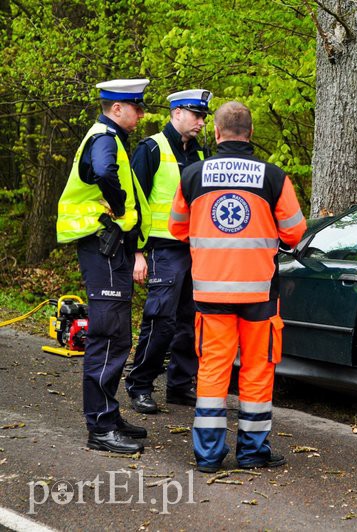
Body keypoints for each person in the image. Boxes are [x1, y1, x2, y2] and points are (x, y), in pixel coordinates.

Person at [169, 101, 306, 473]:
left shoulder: (193, 175)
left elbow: (176, 229)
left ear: (215, 133)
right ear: (250, 134)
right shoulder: (273, 177)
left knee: (213, 370)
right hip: (259, 294)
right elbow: (294, 233)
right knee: (257, 370)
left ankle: (209, 456)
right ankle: (252, 451)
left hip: (210, 293)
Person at [55, 79, 152, 454]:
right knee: (108, 337)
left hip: (110, 248)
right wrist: (120, 207)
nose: (141, 114)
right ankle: (100, 427)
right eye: (136, 107)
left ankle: (108, 415)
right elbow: (102, 171)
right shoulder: (104, 139)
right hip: (102, 246)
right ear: (117, 109)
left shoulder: (111, 139)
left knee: (117, 335)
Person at [126, 89, 212, 414]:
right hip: (162, 250)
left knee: (190, 322)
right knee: (160, 320)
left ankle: (179, 386)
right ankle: (140, 385)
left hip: (196, 252)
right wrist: (136, 252)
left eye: (204, 117)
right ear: (176, 114)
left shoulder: (201, 156)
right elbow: (132, 203)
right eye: (196, 115)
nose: (201, 122)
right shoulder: (151, 149)